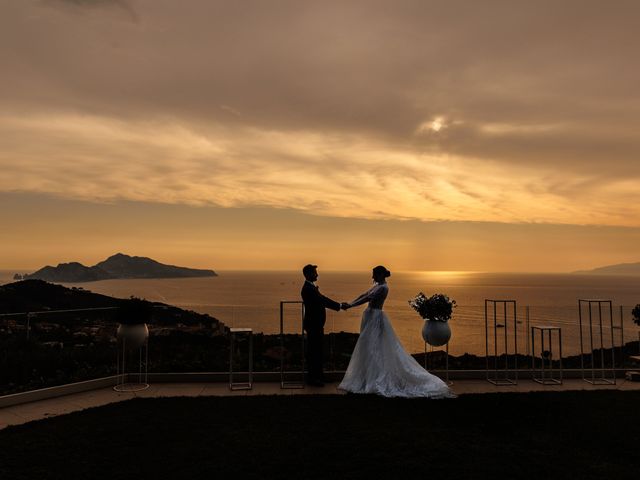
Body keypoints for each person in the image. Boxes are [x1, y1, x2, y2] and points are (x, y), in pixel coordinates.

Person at [338, 265, 454, 398]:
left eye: (374, 274)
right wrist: (350, 302)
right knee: (368, 347)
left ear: (381, 274)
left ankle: (374, 378)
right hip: (370, 316)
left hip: (375, 317)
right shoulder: (377, 286)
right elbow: (364, 294)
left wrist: (350, 305)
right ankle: (367, 378)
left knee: (374, 347)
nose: (373, 277)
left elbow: (367, 298)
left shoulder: (383, 288)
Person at [301, 264, 341, 387]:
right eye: (314, 272)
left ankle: (319, 376)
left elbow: (322, 298)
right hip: (313, 324)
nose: (317, 275)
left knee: (318, 351)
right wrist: (339, 306)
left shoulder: (311, 287)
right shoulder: (308, 289)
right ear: (308, 274)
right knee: (313, 352)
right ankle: (313, 378)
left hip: (316, 324)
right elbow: (322, 301)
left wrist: (338, 305)